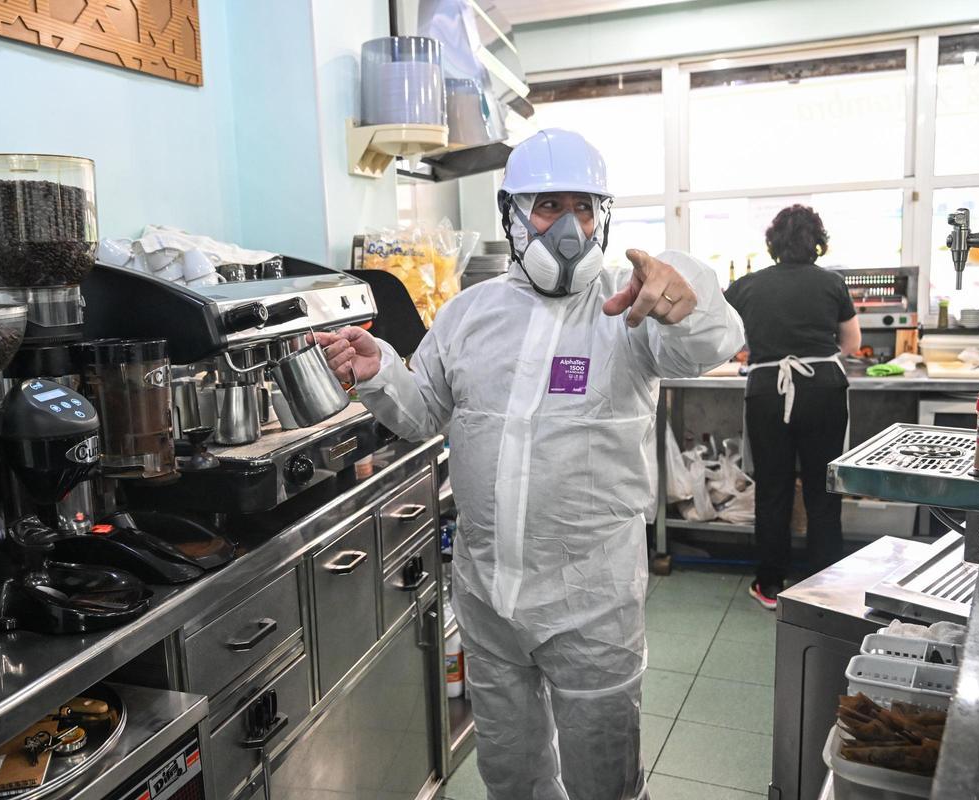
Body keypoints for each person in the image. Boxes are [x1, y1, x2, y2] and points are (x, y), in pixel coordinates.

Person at [317, 129, 744, 800]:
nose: (569, 228)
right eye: (548, 206)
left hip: (591, 600)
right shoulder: (466, 315)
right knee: (511, 775)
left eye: (584, 207)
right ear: (512, 214)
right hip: (488, 597)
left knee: (604, 780)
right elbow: (425, 411)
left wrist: (688, 300)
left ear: (603, 214)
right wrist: (380, 376)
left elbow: (709, 344)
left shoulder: (628, 313)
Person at [723, 204, 861, 611]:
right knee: (823, 491)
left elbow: (723, 337)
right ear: (817, 242)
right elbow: (851, 344)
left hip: (768, 389)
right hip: (823, 389)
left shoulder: (747, 286)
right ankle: (821, 589)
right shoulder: (832, 283)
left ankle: (769, 584)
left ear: (773, 244)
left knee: (773, 490)